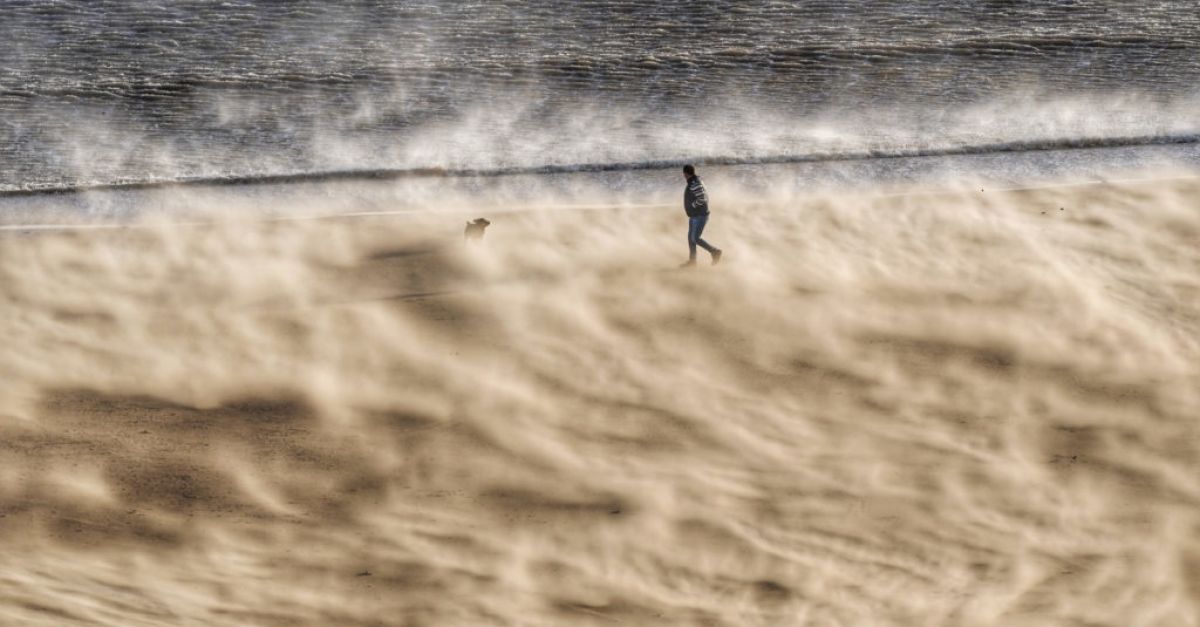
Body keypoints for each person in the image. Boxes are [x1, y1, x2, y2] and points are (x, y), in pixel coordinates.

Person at [681, 164, 722, 267]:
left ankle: (715, 251)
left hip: (700, 215)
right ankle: (692, 261)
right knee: (691, 238)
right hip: (695, 215)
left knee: (695, 238)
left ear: (685, 174)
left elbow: (702, 199)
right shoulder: (695, 181)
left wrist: (692, 206)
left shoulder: (694, 183)